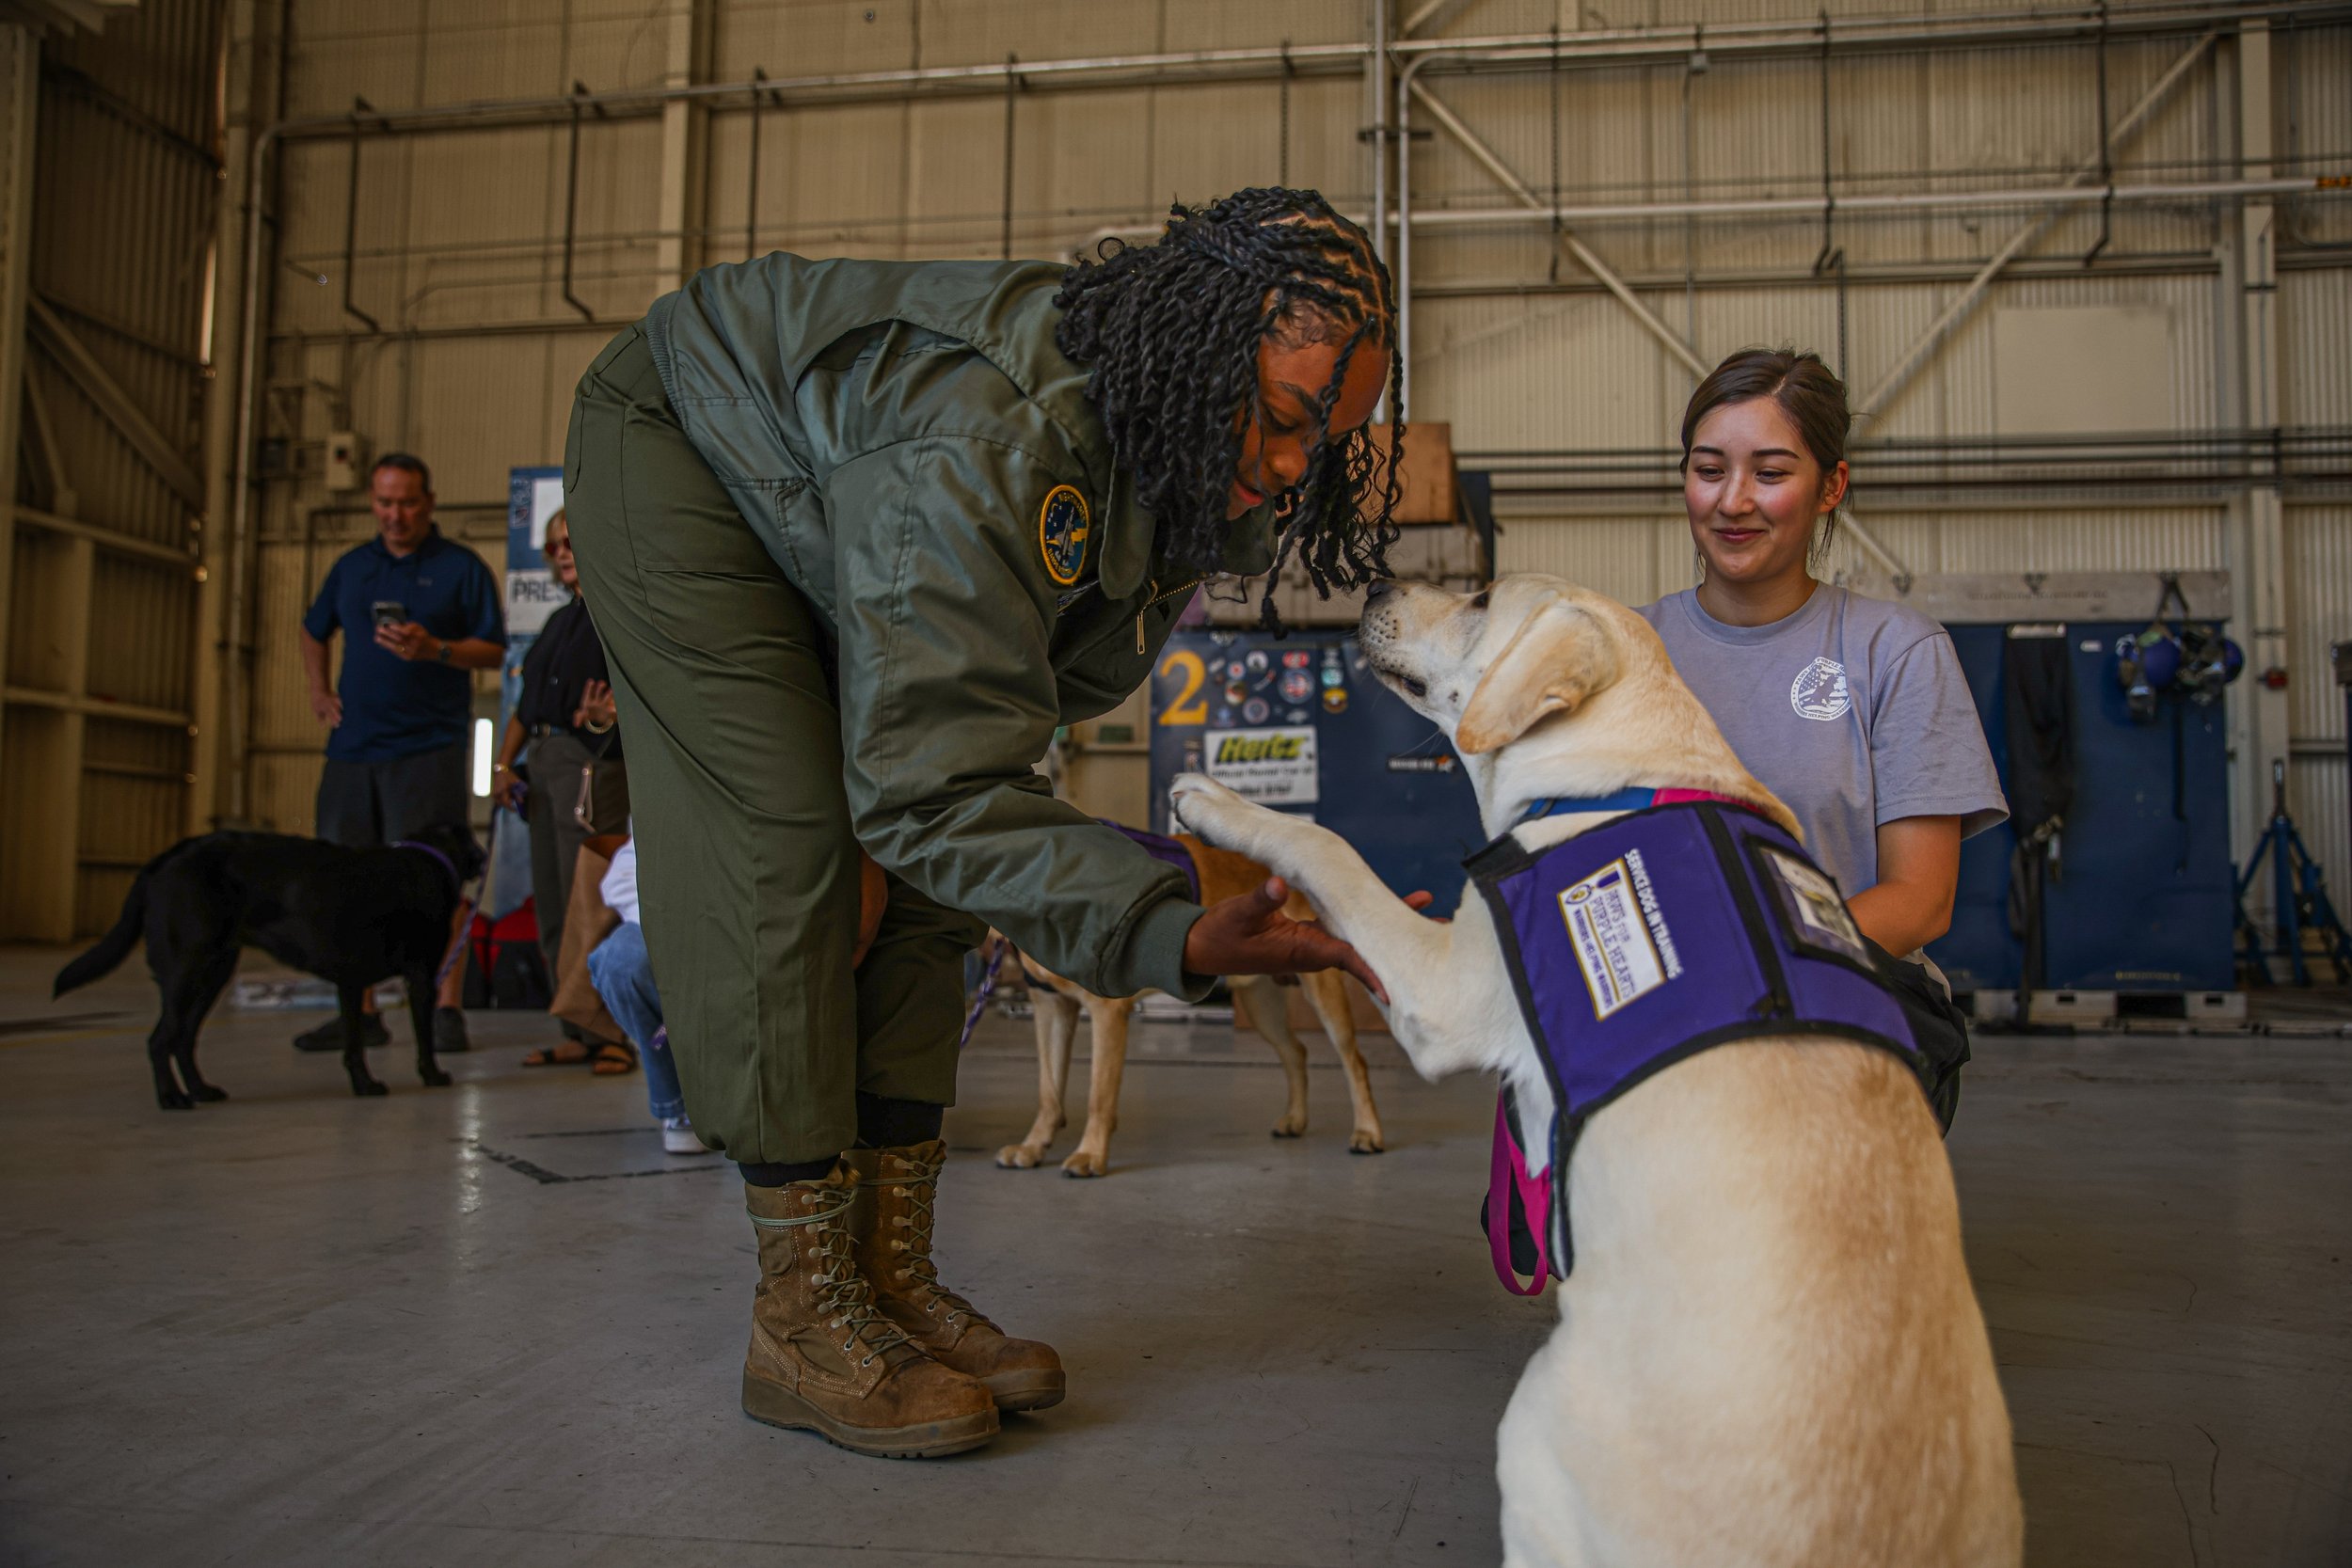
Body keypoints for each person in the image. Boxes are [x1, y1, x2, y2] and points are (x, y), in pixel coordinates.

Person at [565, 187, 1404, 1458]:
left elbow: (991, 749)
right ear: (1197, 348)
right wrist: (1163, 929)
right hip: (690, 448)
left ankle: (891, 1281)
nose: (1294, 467)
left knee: (942, 872)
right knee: (792, 845)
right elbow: (925, 785)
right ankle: (800, 1310)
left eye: (1325, 440)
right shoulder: (991, 445)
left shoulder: (1174, 462)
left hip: (830, 492)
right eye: (1285, 421)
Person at [1640, 348, 2007, 1126]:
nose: (1734, 500)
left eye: (1770, 473)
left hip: (1845, 1021)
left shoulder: (1893, 650)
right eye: (1709, 469)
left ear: (1831, 486)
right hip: (1656, 1029)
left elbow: (1920, 898)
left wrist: (1746, 960)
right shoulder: (1627, 648)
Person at [297, 452, 505, 1054]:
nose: (396, 515)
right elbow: (314, 629)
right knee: (345, 882)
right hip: (353, 751)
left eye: (408, 502)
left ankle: (443, 1007)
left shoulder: (460, 569)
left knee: (432, 885)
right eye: (385, 503)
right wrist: (319, 691)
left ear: (430, 502)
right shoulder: (351, 568)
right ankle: (359, 1013)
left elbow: (493, 651)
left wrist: (435, 649)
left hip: (427, 749)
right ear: (372, 503)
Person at [487, 509, 634, 1072]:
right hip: (545, 765)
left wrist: (605, 716)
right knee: (551, 899)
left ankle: (614, 1032)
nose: (562, 553)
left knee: (592, 901)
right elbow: (525, 708)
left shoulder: (617, 612)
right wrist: (504, 766)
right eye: (552, 548)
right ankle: (575, 1025)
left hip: (593, 764)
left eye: (571, 541)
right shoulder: (556, 622)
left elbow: (634, 704)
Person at [583, 836, 703, 1152]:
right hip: (674, 922)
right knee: (620, 961)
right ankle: (676, 1105)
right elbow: (620, 878)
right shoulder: (668, 790)